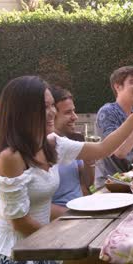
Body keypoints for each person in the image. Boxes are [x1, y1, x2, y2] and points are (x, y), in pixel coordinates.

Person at [0, 76, 133, 264]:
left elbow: (103, 149)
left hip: (45, 244)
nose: (52, 112)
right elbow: (19, 222)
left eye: (52, 105)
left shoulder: (52, 143)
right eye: (44, 107)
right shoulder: (10, 157)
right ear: (22, 112)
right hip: (16, 252)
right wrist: (69, 240)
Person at [95, 66, 133, 188]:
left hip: (131, 183)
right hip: (108, 185)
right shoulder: (108, 112)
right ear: (118, 87)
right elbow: (119, 152)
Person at [49, 86, 94, 219]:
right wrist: (81, 216)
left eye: (74, 111)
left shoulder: (67, 141)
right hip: (63, 220)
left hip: (81, 209)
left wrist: (89, 161)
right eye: (68, 112)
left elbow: (87, 183)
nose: (75, 117)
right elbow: (37, 207)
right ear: (52, 114)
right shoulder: (41, 148)